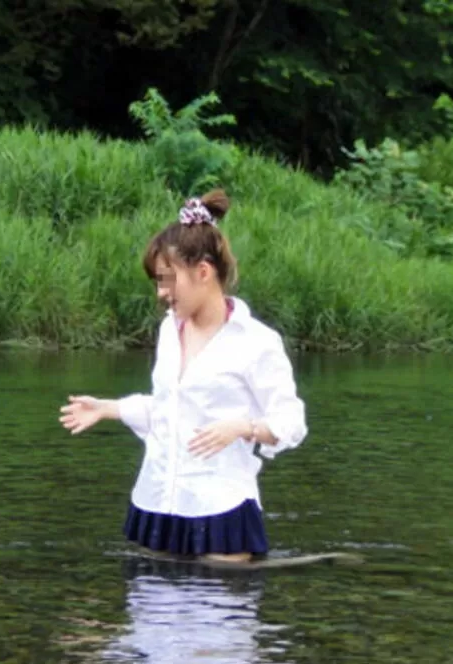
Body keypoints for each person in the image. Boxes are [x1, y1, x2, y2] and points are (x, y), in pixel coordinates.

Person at [59, 190, 306, 562]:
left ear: (203, 272)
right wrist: (109, 408)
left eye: (167, 280)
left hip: (221, 510)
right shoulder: (168, 332)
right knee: (150, 597)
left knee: (219, 595)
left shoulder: (256, 342)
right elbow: (169, 410)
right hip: (159, 503)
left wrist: (244, 428)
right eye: (157, 282)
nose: (161, 293)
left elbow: (291, 422)